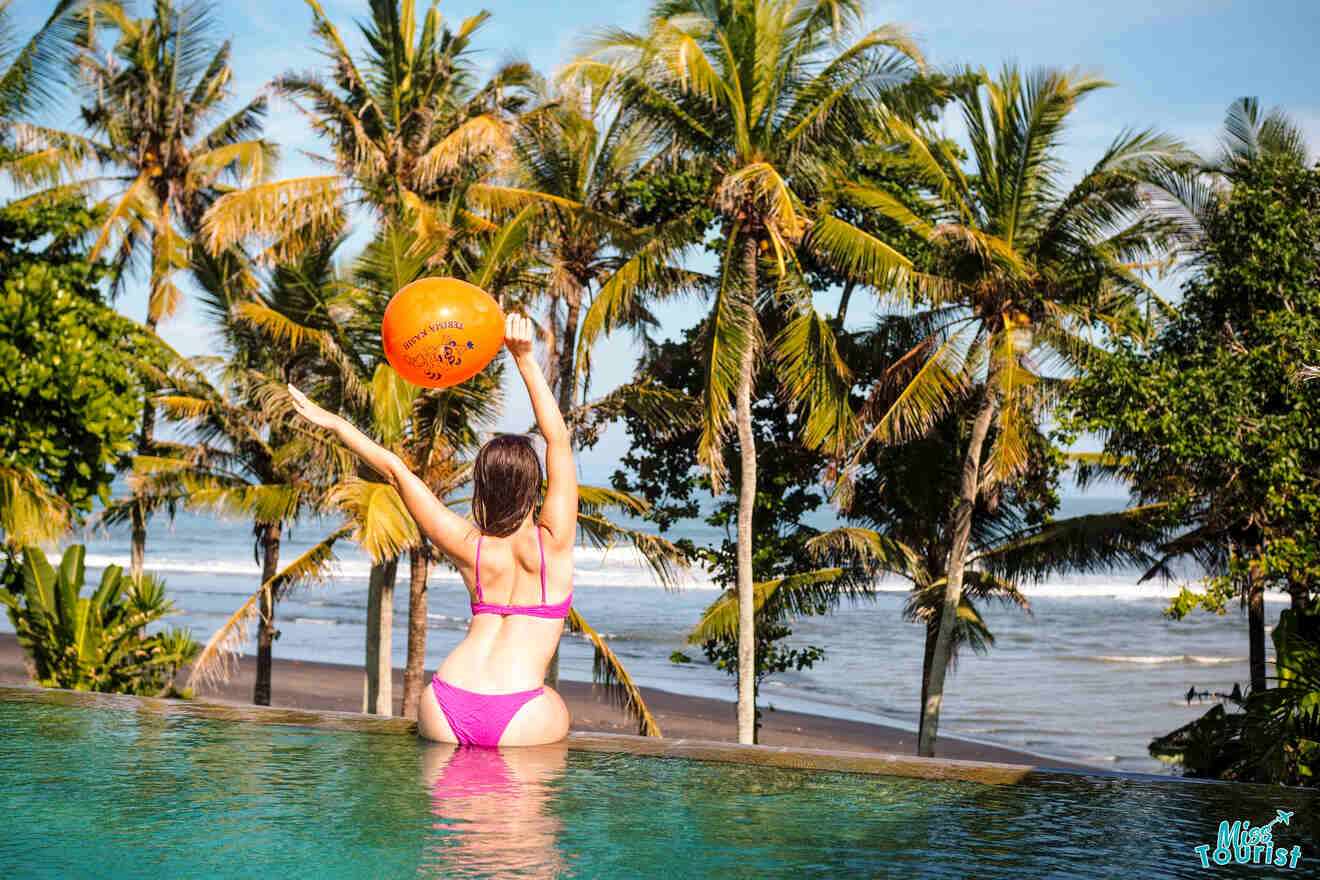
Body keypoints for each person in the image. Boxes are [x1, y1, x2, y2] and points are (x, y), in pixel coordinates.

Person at [288, 313, 575, 746]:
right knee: (534, 790)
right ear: (535, 485)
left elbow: (395, 469)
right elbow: (558, 441)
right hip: (519, 714)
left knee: (453, 812)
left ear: (482, 486)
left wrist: (336, 423)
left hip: (444, 703)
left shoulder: (469, 548)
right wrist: (524, 359)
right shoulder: (552, 543)